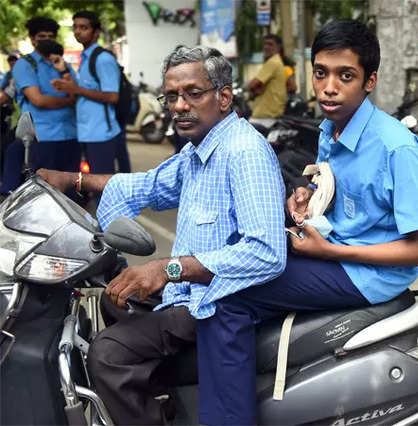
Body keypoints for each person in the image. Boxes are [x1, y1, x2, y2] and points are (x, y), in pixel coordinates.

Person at [195, 19, 418, 424]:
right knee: (236, 247)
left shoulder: (396, 147)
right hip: (334, 250)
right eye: (321, 73)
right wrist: (307, 196)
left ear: (370, 81)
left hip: (366, 274)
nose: (329, 87)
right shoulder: (332, 125)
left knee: (225, 292)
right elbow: (330, 183)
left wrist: (329, 251)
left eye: (346, 76)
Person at [37, 45, 286, 425]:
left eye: (193, 93)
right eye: (171, 96)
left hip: (216, 299)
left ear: (223, 97)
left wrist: (167, 269)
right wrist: (74, 179)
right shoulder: (199, 150)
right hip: (189, 290)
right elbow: (147, 186)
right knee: (114, 300)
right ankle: (169, 400)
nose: (180, 105)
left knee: (106, 354)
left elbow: (266, 252)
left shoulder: (243, 152)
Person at [1, 17, 78, 195]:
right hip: (42, 137)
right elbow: (38, 101)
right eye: (42, 36)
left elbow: (77, 95)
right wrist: (68, 100)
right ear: (33, 39)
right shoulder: (24, 65)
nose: (47, 40)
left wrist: (64, 73)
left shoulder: (62, 64)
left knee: (71, 195)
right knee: (46, 195)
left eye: (51, 36)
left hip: (70, 134)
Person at [51, 10, 124, 176]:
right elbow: (82, 92)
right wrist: (65, 78)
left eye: (83, 27)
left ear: (96, 32)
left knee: (103, 184)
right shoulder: (85, 58)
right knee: (92, 182)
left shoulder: (103, 59)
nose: (78, 31)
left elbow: (113, 96)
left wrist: (75, 89)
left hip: (102, 134)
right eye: (75, 27)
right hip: (87, 132)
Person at [246, 33, 287, 125]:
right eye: (265, 44)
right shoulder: (277, 61)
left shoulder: (273, 62)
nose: (266, 47)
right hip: (269, 115)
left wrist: (250, 88)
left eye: (270, 44)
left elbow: (253, 84)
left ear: (278, 48)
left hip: (265, 116)